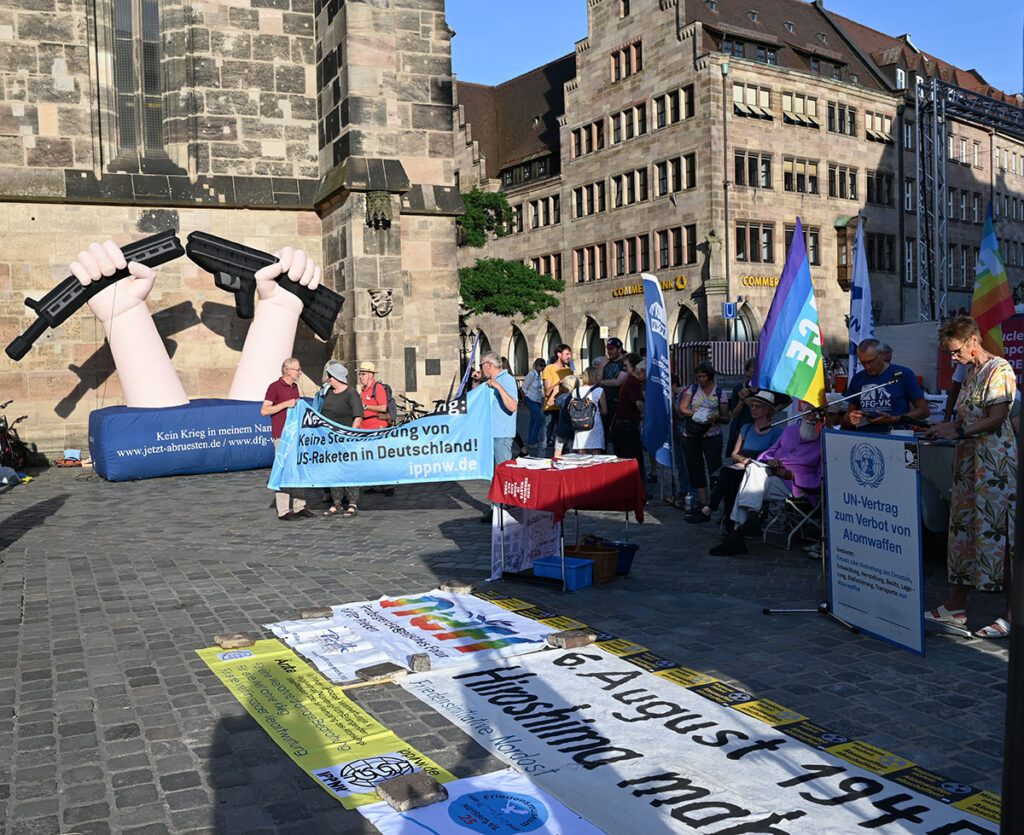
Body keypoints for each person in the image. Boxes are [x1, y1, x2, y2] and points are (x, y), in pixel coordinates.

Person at [924, 316, 1016, 639]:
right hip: (967, 463)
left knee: (1000, 535)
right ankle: (956, 606)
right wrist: (946, 427)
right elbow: (960, 409)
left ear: (973, 341)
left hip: (994, 466)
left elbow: (997, 418)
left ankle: (1010, 615)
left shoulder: (999, 369)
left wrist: (958, 430)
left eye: (955, 352)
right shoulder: (970, 371)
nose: (953, 359)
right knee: (962, 533)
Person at [709, 409, 823, 555]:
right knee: (754, 467)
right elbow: (768, 452)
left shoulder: (823, 440)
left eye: (816, 414)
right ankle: (751, 517)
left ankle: (738, 532)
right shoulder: (790, 430)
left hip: (793, 484)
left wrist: (792, 475)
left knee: (746, 486)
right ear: (803, 414)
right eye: (809, 413)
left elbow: (819, 478)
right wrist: (770, 460)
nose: (812, 417)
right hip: (771, 472)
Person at [689, 389, 786, 525]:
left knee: (728, 476)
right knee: (729, 476)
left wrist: (752, 462)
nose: (753, 409)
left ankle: (712, 511)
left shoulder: (776, 432)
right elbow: (734, 453)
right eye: (752, 406)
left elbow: (775, 456)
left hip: (760, 470)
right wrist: (745, 461)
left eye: (758, 406)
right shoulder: (746, 428)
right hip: (743, 464)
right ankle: (728, 520)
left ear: (767, 410)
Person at [262, 358, 314, 521]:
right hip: (282, 436)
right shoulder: (274, 387)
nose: (300, 372)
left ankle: (299, 506)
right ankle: (283, 510)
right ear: (288, 371)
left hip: (296, 435)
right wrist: (285, 404)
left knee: (298, 469)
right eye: (298, 369)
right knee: (284, 471)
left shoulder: (295, 387)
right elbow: (264, 411)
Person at [678, 361, 729, 521]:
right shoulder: (692, 390)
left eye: (704, 376)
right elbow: (683, 408)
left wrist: (715, 417)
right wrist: (695, 413)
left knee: (714, 467)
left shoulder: (719, 392)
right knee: (695, 466)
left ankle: (714, 502)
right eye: (698, 376)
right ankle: (703, 501)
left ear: (710, 376)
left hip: (712, 434)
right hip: (692, 434)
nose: (701, 379)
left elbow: (726, 417)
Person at [842, 338, 928, 432]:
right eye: (863, 362)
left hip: (896, 434)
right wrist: (852, 417)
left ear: (883, 355)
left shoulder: (903, 374)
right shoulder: (858, 379)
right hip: (866, 436)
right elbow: (848, 416)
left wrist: (896, 419)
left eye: (871, 361)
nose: (867, 366)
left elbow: (924, 411)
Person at [316, 361, 363, 518]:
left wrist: (350, 435)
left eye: (330, 376)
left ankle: (352, 503)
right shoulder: (329, 392)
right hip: (330, 441)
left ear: (337, 377)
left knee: (349, 471)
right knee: (333, 471)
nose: (328, 379)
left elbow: (358, 416)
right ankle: (336, 503)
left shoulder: (351, 393)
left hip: (347, 440)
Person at [479, 351, 519, 522]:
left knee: (503, 472)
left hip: (502, 434)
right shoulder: (489, 382)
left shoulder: (506, 380)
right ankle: (496, 507)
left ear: (489, 365)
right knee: (493, 474)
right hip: (491, 433)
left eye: (481, 365)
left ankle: (506, 508)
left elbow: (513, 406)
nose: (480, 369)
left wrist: (499, 387)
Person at [611, 353, 645, 479]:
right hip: (626, 426)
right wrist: (644, 416)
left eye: (626, 365)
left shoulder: (630, 381)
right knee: (632, 459)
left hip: (623, 425)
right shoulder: (632, 382)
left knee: (628, 458)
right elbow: (639, 403)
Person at [542, 344, 574, 453]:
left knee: (564, 439)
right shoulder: (549, 369)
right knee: (545, 439)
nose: (569, 356)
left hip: (564, 408)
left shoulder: (568, 370)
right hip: (550, 408)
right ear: (559, 354)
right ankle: (540, 460)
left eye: (570, 354)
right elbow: (547, 392)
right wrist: (559, 383)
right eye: (567, 354)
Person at [596, 337, 628, 436]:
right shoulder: (606, 363)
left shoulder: (625, 362)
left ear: (619, 349)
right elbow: (597, 381)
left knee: (617, 434)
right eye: (608, 349)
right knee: (603, 434)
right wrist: (601, 367)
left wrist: (602, 382)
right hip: (605, 401)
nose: (609, 352)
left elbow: (618, 382)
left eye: (612, 349)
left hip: (618, 402)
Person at [571, 367, 608, 454]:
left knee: (582, 450)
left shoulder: (576, 391)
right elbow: (605, 411)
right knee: (596, 449)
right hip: (595, 423)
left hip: (580, 422)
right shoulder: (599, 390)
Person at [726, 357, 758, 455]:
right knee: (739, 458)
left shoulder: (764, 390)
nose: (757, 371)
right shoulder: (738, 389)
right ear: (746, 372)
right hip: (741, 431)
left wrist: (773, 411)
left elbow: (786, 401)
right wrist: (741, 400)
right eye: (754, 368)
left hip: (759, 431)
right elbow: (734, 415)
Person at [521, 358, 546, 455]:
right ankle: (532, 441)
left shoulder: (539, 376)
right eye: (541, 366)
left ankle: (530, 440)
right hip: (530, 398)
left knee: (533, 420)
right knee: (539, 420)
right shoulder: (531, 374)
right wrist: (524, 399)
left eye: (543, 366)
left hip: (537, 399)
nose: (542, 368)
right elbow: (524, 388)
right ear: (536, 365)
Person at [552, 374, 579, 458]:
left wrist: (555, 392)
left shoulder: (563, 397)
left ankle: (556, 464)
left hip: (562, 427)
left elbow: (550, 403)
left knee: (558, 450)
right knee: (573, 451)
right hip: (574, 427)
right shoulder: (579, 396)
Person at [357, 361, 389, 430]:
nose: (360, 377)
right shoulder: (363, 389)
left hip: (376, 427)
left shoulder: (378, 388)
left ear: (371, 375)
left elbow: (383, 407)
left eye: (363, 374)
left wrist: (365, 407)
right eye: (359, 374)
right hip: (363, 428)